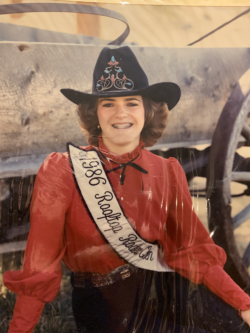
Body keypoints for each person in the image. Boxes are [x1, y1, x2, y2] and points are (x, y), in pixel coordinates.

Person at [3, 46, 250, 333]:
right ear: (94, 113)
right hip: (103, 303)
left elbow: (191, 250)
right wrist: (19, 329)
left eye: (132, 102)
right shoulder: (64, 170)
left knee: (233, 324)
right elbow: (40, 265)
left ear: (148, 111)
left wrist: (244, 304)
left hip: (160, 284)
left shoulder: (166, 171)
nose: (120, 113)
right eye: (108, 104)